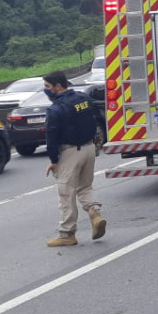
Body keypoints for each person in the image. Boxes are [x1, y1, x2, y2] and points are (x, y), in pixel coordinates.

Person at [43, 71, 106, 247]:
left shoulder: (56, 109)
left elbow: (52, 137)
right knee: (85, 187)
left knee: (66, 193)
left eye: (47, 86)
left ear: (58, 86)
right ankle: (95, 214)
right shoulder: (83, 98)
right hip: (89, 148)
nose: (45, 90)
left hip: (70, 152)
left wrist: (53, 161)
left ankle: (67, 233)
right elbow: (98, 118)